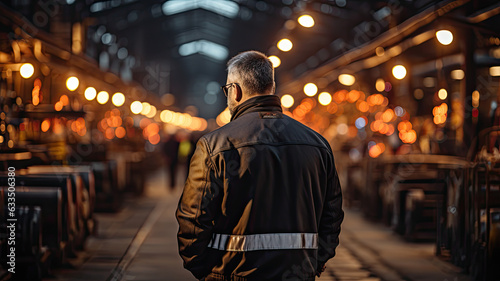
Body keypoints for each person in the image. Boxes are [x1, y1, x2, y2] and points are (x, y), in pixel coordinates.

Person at [176, 50, 344, 281]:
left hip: (232, 274)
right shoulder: (317, 145)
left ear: (235, 91)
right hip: (297, 274)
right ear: (271, 87)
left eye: (226, 90)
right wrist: (316, 261)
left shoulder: (214, 145)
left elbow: (193, 219)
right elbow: (332, 213)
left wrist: (204, 269)